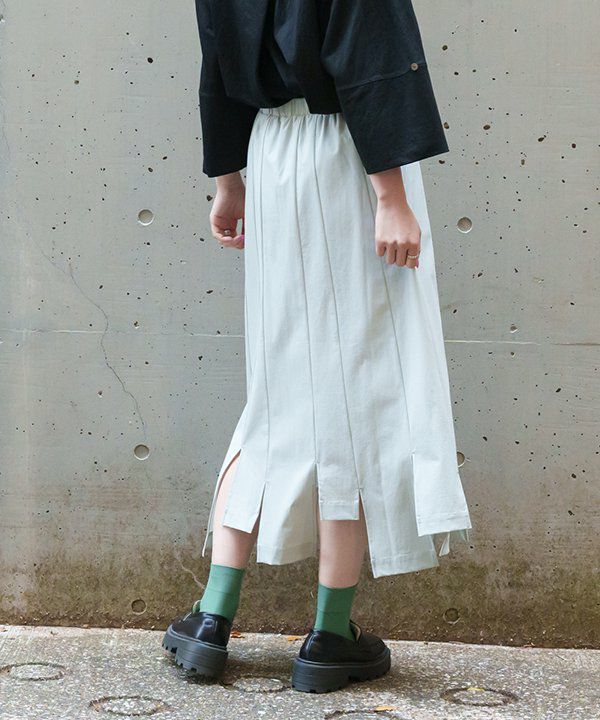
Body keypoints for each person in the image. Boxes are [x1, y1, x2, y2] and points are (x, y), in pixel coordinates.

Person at [163, 0, 472, 694]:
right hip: (349, 161)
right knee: (356, 396)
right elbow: (370, 55)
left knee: (276, 394)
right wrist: (391, 196)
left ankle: (212, 619)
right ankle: (329, 635)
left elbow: (218, 60)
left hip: (269, 155)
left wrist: (228, 181)